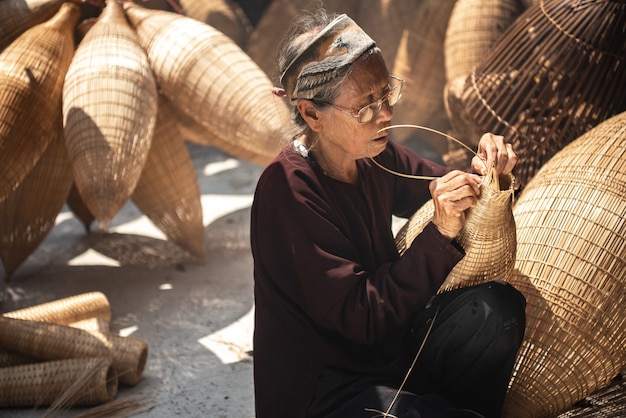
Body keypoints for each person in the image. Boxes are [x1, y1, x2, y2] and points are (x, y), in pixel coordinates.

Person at [250, 9, 526, 418]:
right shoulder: (287, 189)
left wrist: (484, 167)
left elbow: (439, 183)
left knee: (497, 309)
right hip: (327, 390)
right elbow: (360, 315)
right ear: (312, 115)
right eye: (365, 107)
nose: (385, 115)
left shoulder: (372, 153)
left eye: (386, 95)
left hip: (388, 356)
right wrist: (439, 231)